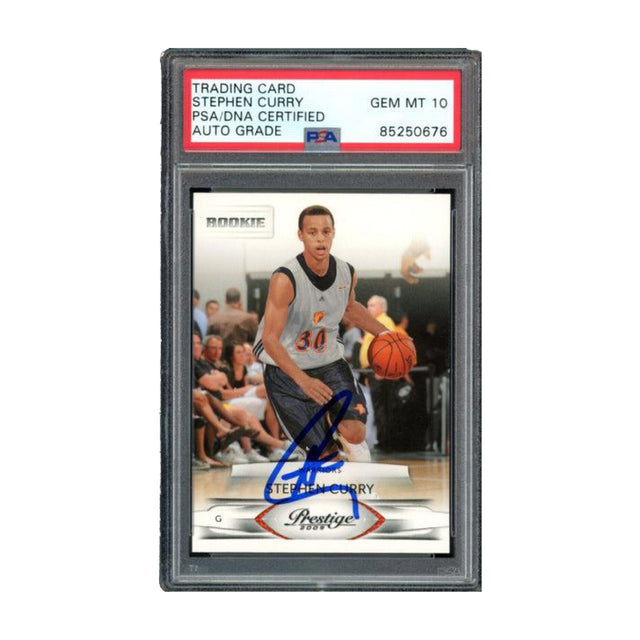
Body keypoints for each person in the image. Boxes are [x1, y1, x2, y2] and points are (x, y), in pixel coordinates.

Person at [253, 204, 389, 462]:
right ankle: (324, 442)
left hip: (328, 361)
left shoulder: (346, 272)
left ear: (333, 233)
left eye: (326, 232)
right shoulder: (285, 278)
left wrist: (386, 334)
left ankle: (345, 438)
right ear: (300, 235)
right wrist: (303, 381)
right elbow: (269, 339)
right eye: (312, 232)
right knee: (326, 459)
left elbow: (350, 307)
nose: (320, 238)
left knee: (356, 432)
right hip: (286, 369)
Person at [359, 295, 397, 368]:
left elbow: (390, 344)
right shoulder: (375, 321)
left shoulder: (385, 321)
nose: (368, 308)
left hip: (379, 366)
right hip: (371, 367)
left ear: (382, 307)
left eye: (372, 305)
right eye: (368, 306)